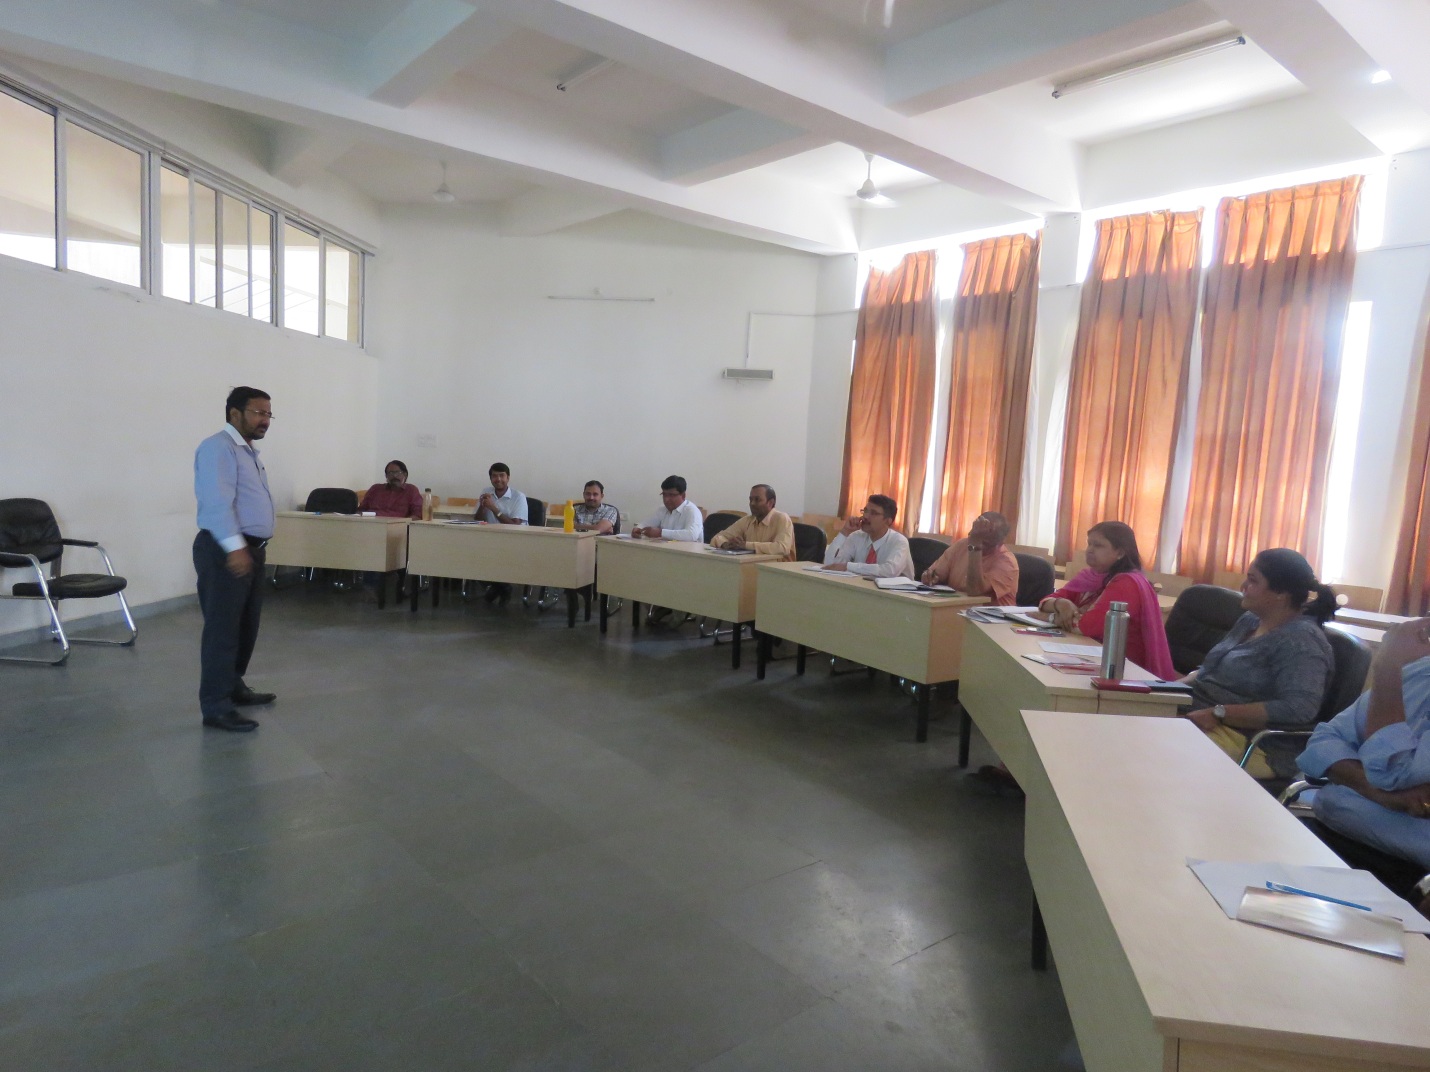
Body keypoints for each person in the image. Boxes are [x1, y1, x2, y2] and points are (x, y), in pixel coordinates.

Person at [1175, 548, 1335, 778]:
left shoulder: (1301, 641)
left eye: (1252, 580)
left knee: (1152, 747)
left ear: (1281, 593)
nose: (1243, 586)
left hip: (1253, 741)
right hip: (1202, 714)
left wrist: (1220, 713)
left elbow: (1299, 709)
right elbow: (1211, 670)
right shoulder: (1251, 619)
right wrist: (1169, 688)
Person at [1298, 617, 1430, 874]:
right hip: (1326, 833)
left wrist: (1388, 668)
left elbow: (1390, 772)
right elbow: (1322, 742)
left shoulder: (1397, 671)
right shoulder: (1420, 672)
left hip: (1401, 870)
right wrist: (1381, 796)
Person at [192, 386, 277, 733]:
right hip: (227, 551)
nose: (265, 421)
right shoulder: (218, 448)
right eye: (258, 413)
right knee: (223, 631)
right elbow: (216, 504)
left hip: (251, 549)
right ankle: (215, 705)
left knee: (246, 627)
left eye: (269, 414)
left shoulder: (248, 452)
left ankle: (234, 685)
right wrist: (235, 548)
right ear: (234, 413)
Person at [1038, 520, 1176, 680]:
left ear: (1120, 553)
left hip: (1126, 671)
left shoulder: (1127, 583)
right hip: (1092, 656)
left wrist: (1049, 616)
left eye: (1098, 545)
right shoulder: (1089, 577)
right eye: (1089, 544)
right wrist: (1061, 603)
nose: (1089, 550)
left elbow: (1084, 627)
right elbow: (1045, 602)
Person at [921, 511, 1020, 604]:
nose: (979, 544)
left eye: (985, 543)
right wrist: (929, 577)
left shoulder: (1007, 562)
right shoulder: (963, 544)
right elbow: (937, 575)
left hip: (994, 619)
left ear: (1000, 542)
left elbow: (974, 590)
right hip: (956, 608)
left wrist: (976, 545)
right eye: (973, 536)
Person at [823, 494, 913, 578]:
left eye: (873, 513)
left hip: (894, 593)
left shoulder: (899, 541)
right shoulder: (856, 536)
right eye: (865, 511)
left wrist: (848, 566)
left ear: (888, 521)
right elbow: (830, 564)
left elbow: (890, 571)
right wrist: (845, 532)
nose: (865, 516)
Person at [709, 484, 795, 560]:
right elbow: (717, 537)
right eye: (750, 500)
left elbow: (782, 548)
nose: (752, 503)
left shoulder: (782, 518)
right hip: (753, 567)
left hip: (779, 571)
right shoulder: (747, 520)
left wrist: (746, 545)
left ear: (770, 502)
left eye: (757, 500)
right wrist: (725, 544)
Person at [631, 475, 702, 541]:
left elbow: (692, 535)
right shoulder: (662, 509)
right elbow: (646, 524)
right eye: (664, 494)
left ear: (683, 495)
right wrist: (638, 529)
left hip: (688, 553)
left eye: (671, 495)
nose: (666, 499)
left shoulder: (692, 511)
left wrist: (661, 533)